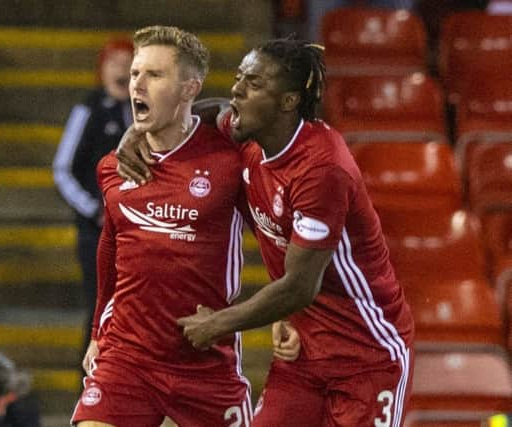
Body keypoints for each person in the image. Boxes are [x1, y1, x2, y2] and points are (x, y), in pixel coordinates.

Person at [117, 37, 415, 426]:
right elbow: (211, 111)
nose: (237, 89)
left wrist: (217, 325)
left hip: (366, 355)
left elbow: (298, 287)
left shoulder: (321, 169)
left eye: (254, 84)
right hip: (304, 353)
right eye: (240, 77)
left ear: (288, 102)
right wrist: (139, 132)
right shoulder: (250, 138)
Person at [71, 25, 264, 427]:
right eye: (136, 73)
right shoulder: (114, 166)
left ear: (190, 88)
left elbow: (274, 235)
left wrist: (295, 315)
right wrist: (96, 333)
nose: (136, 83)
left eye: (154, 75)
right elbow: (110, 246)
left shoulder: (231, 160)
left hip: (205, 361)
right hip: (127, 357)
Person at [52, 37, 134, 360]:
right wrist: (93, 209)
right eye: (115, 63)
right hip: (97, 231)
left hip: (136, 226)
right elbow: (62, 169)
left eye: (129, 64)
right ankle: (88, 385)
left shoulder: (143, 111)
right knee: (101, 304)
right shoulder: (89, 109)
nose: (123, 70)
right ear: (101, 69)